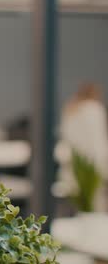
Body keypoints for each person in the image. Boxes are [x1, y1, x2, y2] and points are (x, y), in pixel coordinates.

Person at [58, 82, 108, 211]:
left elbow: (65, 135)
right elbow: (98, 138)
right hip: (93, 161)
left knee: (75, 201)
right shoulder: (95, 109)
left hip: (73, 162)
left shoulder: (71, 109)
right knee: (94, 201)